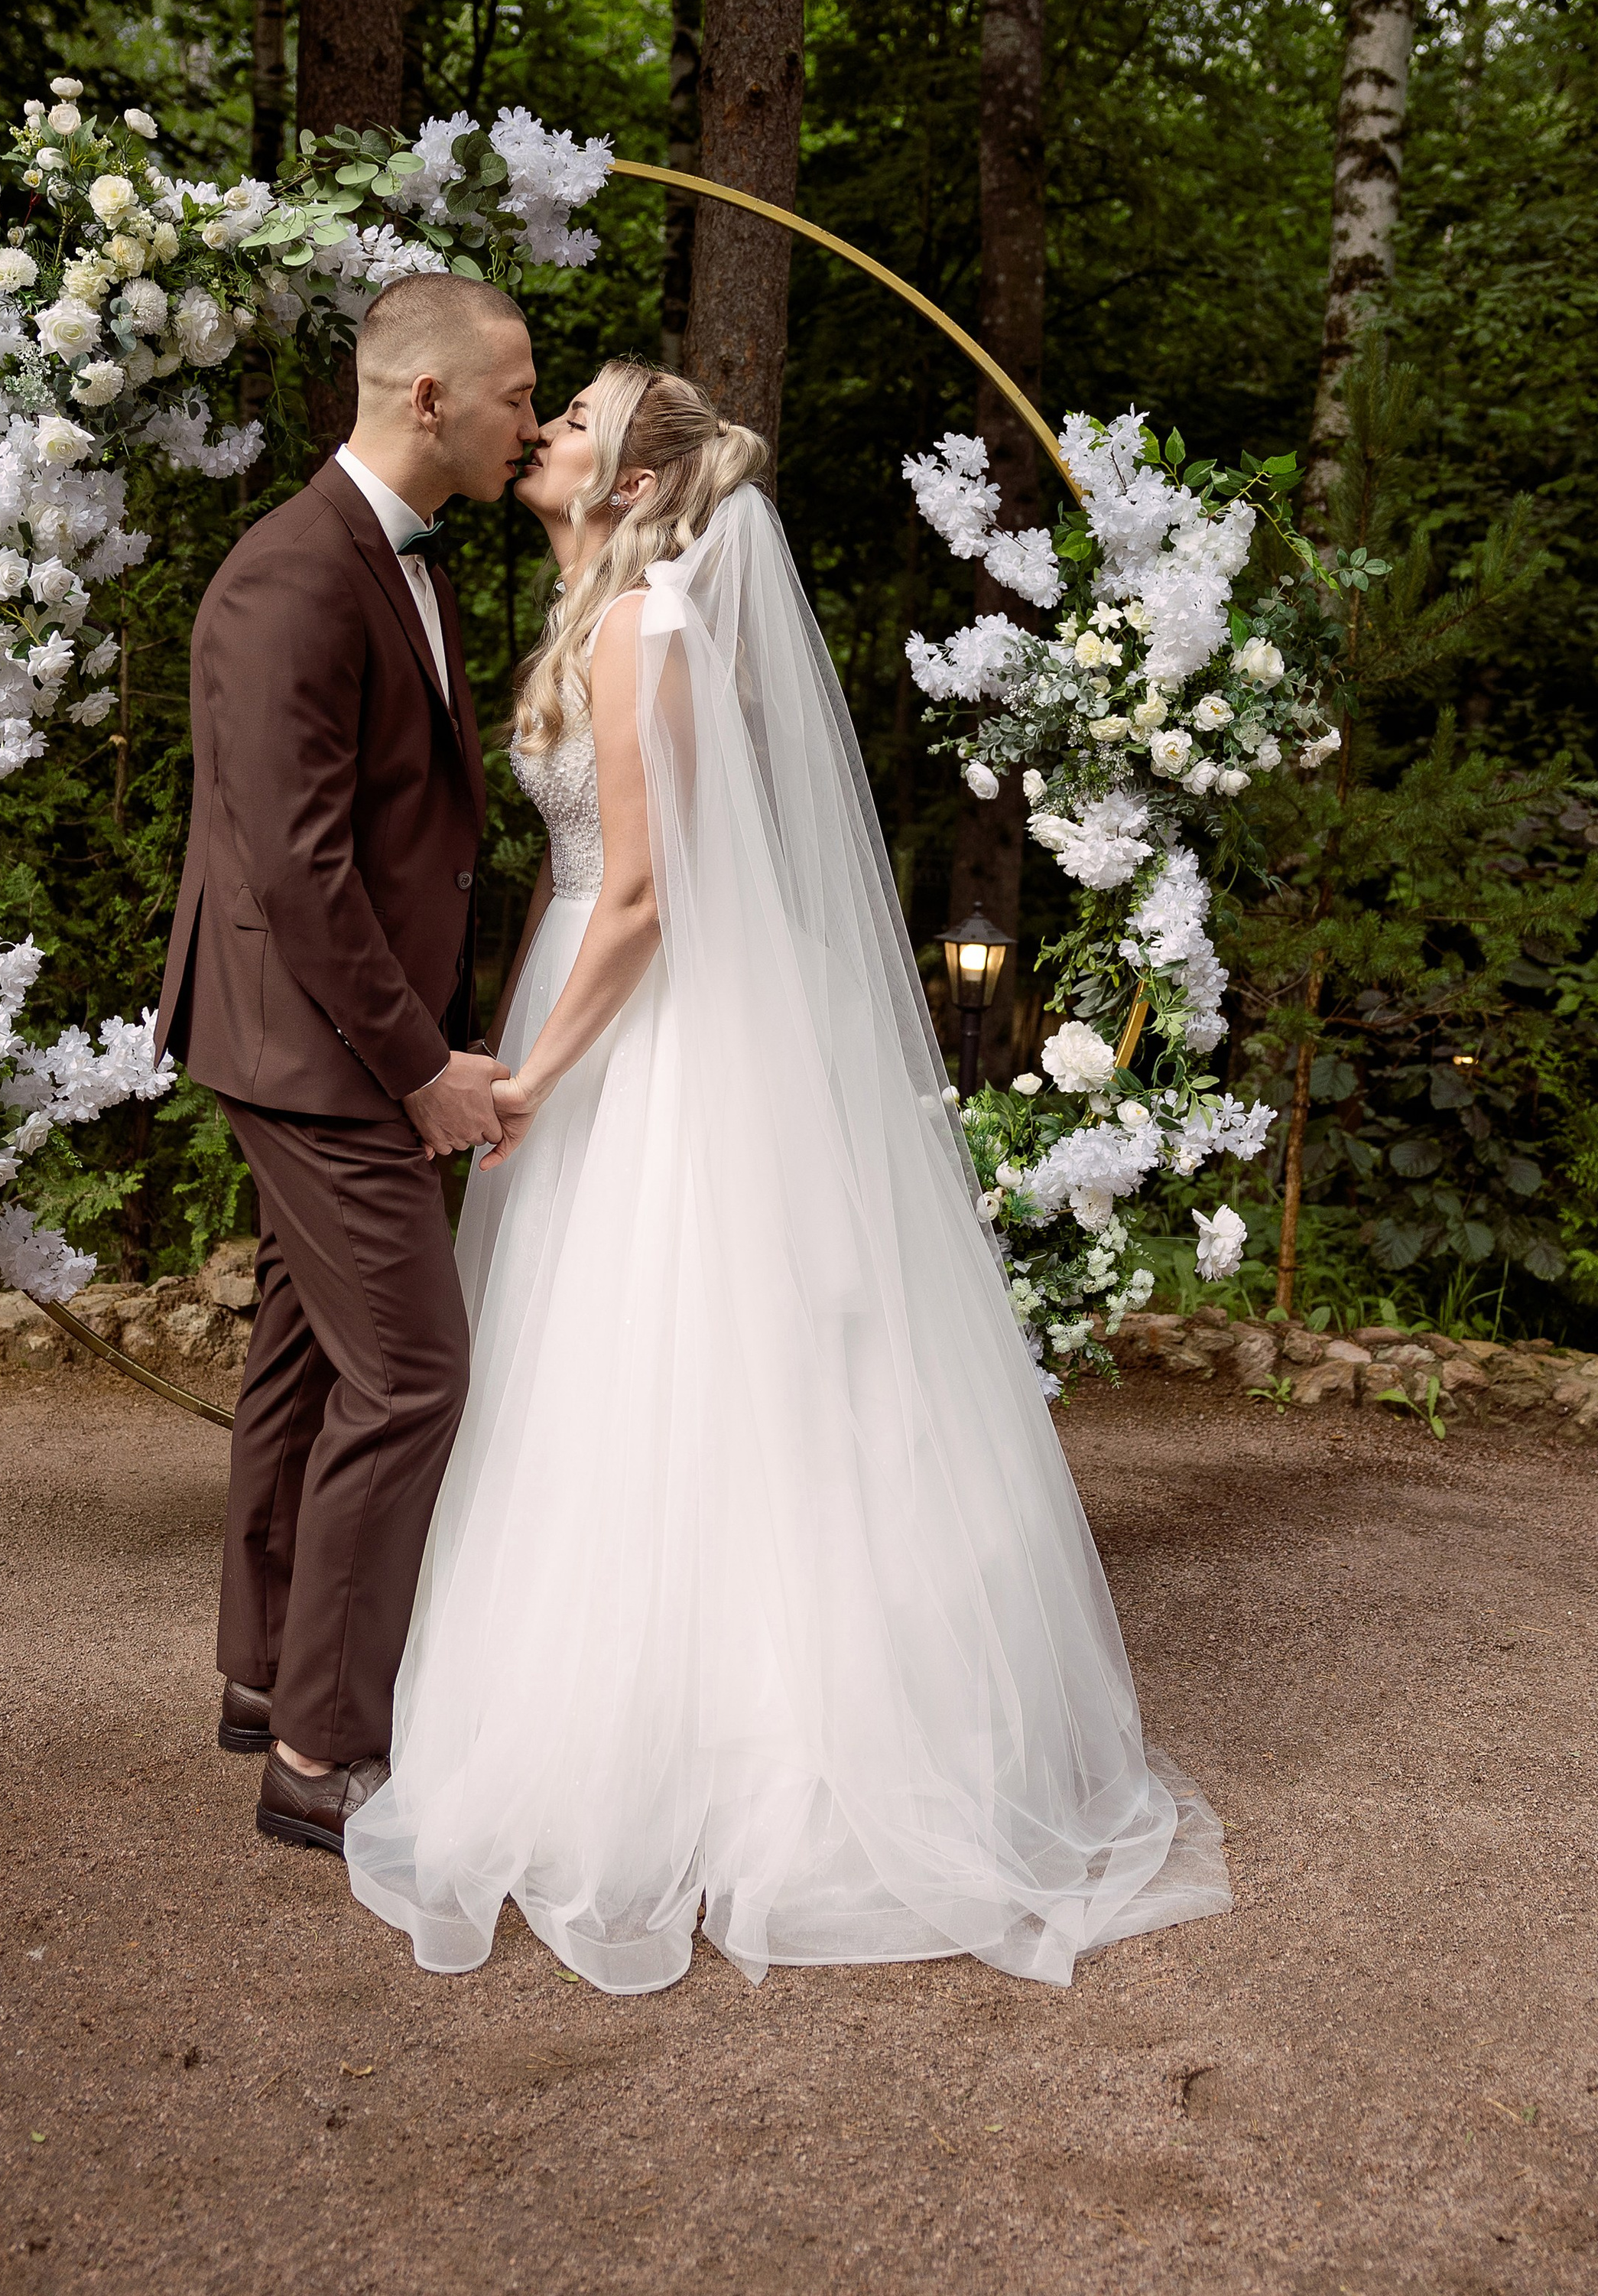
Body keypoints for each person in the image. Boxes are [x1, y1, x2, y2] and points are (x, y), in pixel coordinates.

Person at [344, 359, 1231, 1992]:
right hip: (584, 996)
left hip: (642, 1031)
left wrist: (528, 1076)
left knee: (665, 1359)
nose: (542, 432)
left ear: (629, 480)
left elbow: (643, 898)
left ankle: (728, 1750)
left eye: (575, 420)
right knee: (583, 1368)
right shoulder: (604, 614)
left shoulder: (647, 626)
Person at [152, 272, 538, 1854]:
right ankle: (322, 1751)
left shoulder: (399, 557)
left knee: (310, 1354)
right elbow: (295, 866)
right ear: (428, 398)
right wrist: (421, 1063)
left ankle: (263, 1672)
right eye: (516, 390)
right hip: (310, 1044)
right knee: (417, 1373)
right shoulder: (292, 578)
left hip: (338, 1027)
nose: (532, 415)